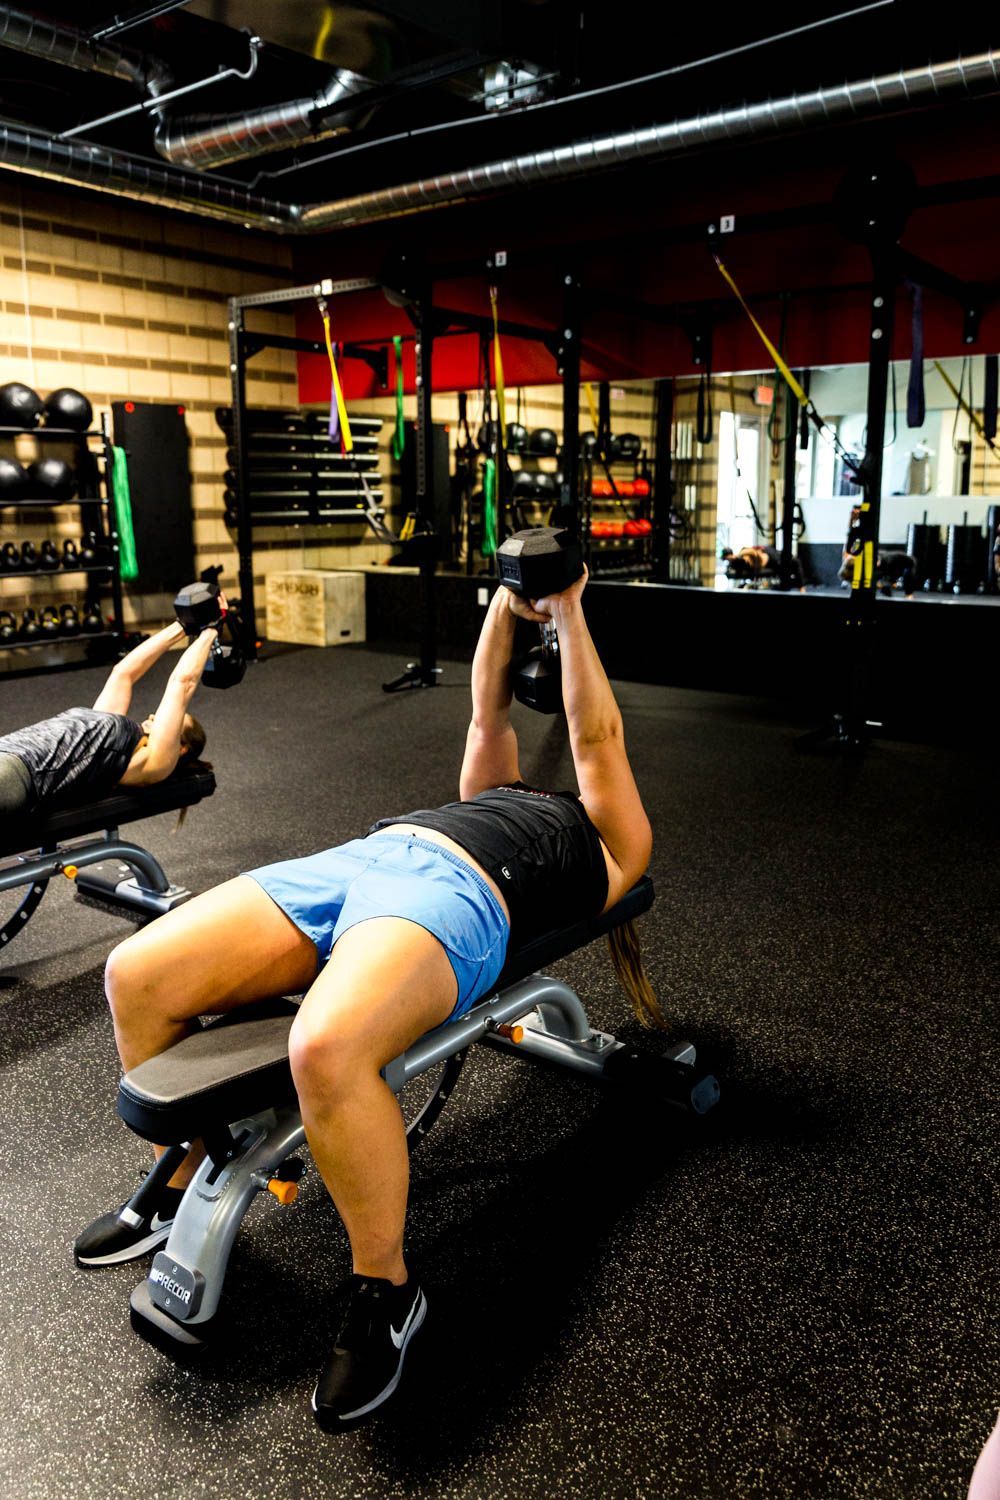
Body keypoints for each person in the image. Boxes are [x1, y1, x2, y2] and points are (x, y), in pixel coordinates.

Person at [75, 567, 658, 1428]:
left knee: (326, 1048)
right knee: (138, 973)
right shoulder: (489, 789)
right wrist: (506, 601)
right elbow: (485, 710)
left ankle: (387, 1290)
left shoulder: (614, 846)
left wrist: (569, 614)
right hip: (365, 857)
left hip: (461, 896)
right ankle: (194, 1160)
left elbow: (596, 733)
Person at [0, 619, 218, 820]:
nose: (154, 715)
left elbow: (182, 683)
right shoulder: (109, 733)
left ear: (181, 748)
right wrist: (183, 625)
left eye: (175, 720)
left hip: (19, 774)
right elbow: (123, 673)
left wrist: (210, 630)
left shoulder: (153, 762)